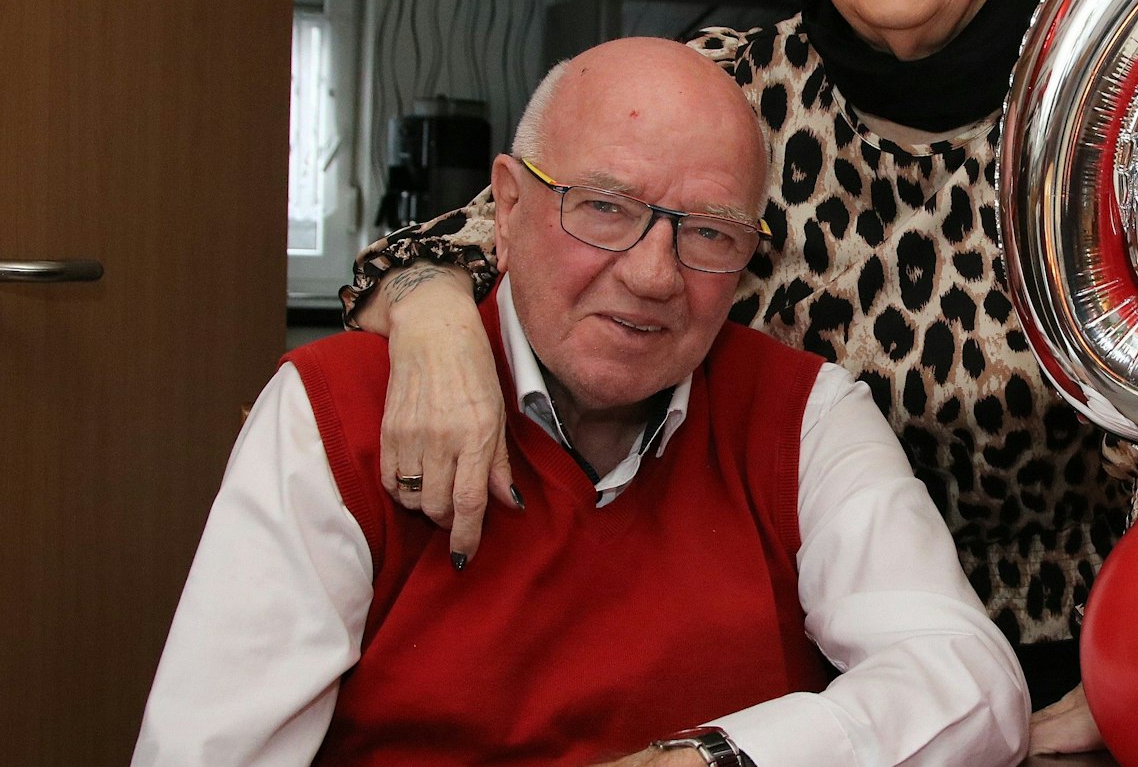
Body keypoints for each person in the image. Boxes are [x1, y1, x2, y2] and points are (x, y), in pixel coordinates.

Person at [340, 0, 1126, 753]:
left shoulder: (1110, 124)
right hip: (769, 679)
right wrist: (432, 320)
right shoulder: (725, 93)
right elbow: (488, 235)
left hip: (1046, 694)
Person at [135, 39, 1027, 766]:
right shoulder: (331, 414)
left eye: (708, 232)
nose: (652, 276)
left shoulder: (806, 416)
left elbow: (971, 683)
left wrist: (710, 762)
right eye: (604, 208)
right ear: (506, 207)